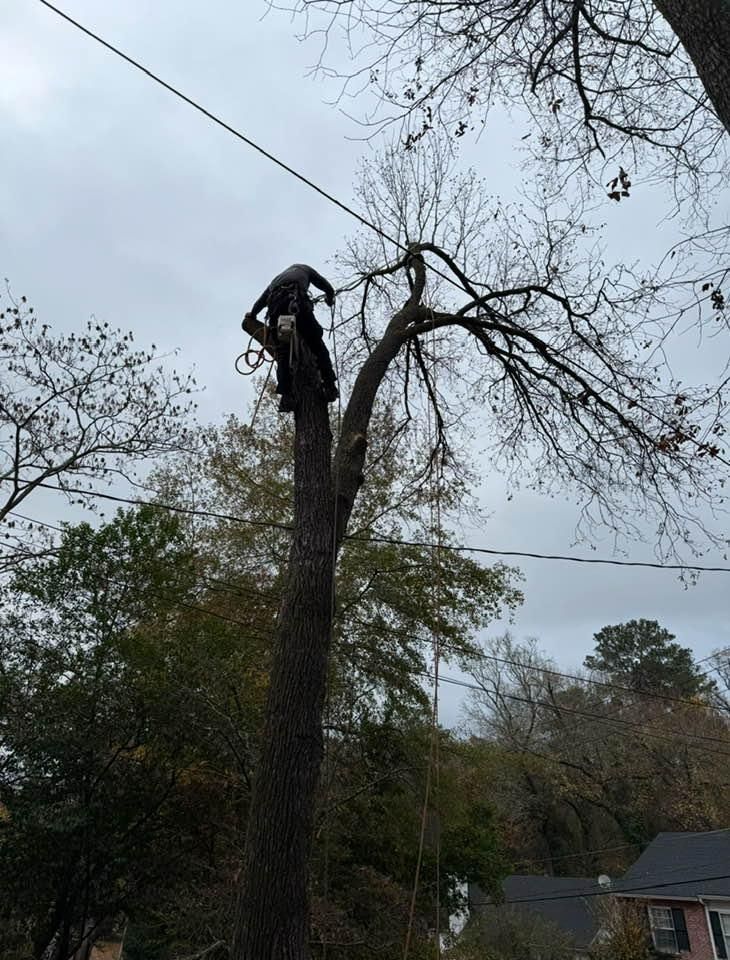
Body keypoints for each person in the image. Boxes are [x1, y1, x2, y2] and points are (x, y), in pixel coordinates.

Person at [245, 264, 338, 412]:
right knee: (317, 344)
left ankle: (286, 396)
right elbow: (325, 286)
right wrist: (330, 298)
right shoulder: (305, 269)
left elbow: (261, 301)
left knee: (283, 353)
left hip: (277, 311)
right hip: (297, 303)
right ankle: (330, 386)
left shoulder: (275, 281)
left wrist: (253, 314)